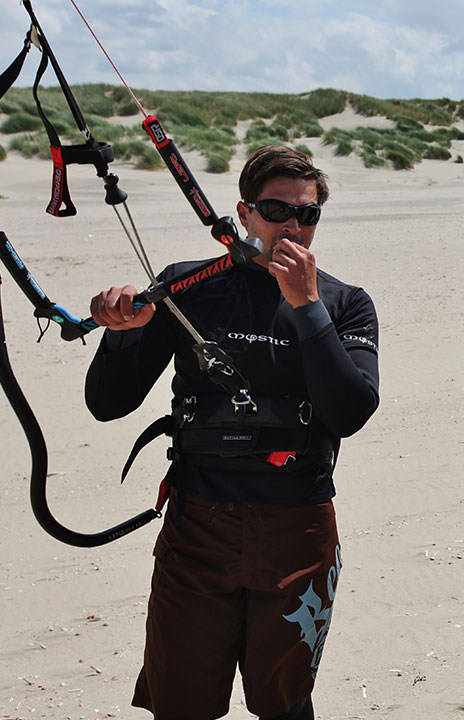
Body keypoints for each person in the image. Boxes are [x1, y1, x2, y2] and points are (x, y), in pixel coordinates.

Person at [85, 146, 380, 720]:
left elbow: (350, 412)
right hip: (198, 524)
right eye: (276, 210)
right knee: (181, 699)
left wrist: (308, 307)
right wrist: (120, 333)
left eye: (307, 214)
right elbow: (107, 403)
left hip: (298, 525)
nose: (292, 226)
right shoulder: (188, 286)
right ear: (244, 216)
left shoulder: (346, 303)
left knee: (285, 700)